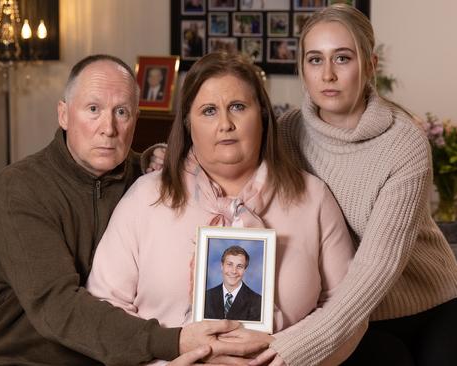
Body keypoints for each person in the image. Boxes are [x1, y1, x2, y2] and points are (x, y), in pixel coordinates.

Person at [0, 54, 266, 366]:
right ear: (63, 114)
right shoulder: (21, 187)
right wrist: (175, 342)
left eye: (122, 112)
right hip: (31, 359)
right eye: (93, 109)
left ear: (136, 119)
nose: (109, 128)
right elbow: (56, 306)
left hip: (126, 358)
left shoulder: (149, 181)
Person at [87, 52, 365, 365]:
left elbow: (349, 312)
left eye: (237, 107)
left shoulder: (314, 199)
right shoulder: (145, 198)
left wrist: (289, 353)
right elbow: (104, 308)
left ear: (261, 114)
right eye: (208, 111)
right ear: (188, 123)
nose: (225, 124)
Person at [249, 4, 457, 365]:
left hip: (429, 309)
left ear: (369, 65)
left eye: (342, 58)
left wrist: (291, 349)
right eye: (314, 60)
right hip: (350, 319)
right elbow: (224, 157)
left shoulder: (405, 144)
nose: (327, 75)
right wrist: (164, 156)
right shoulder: (287, 132)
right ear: (302, 69)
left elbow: (375, 271)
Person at [204, 246, 262, 321]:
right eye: (229, 264)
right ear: (222, 266)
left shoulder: (257, 301)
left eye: (239, 266)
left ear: (245, 270)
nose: (234, 271)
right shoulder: (207, 297)